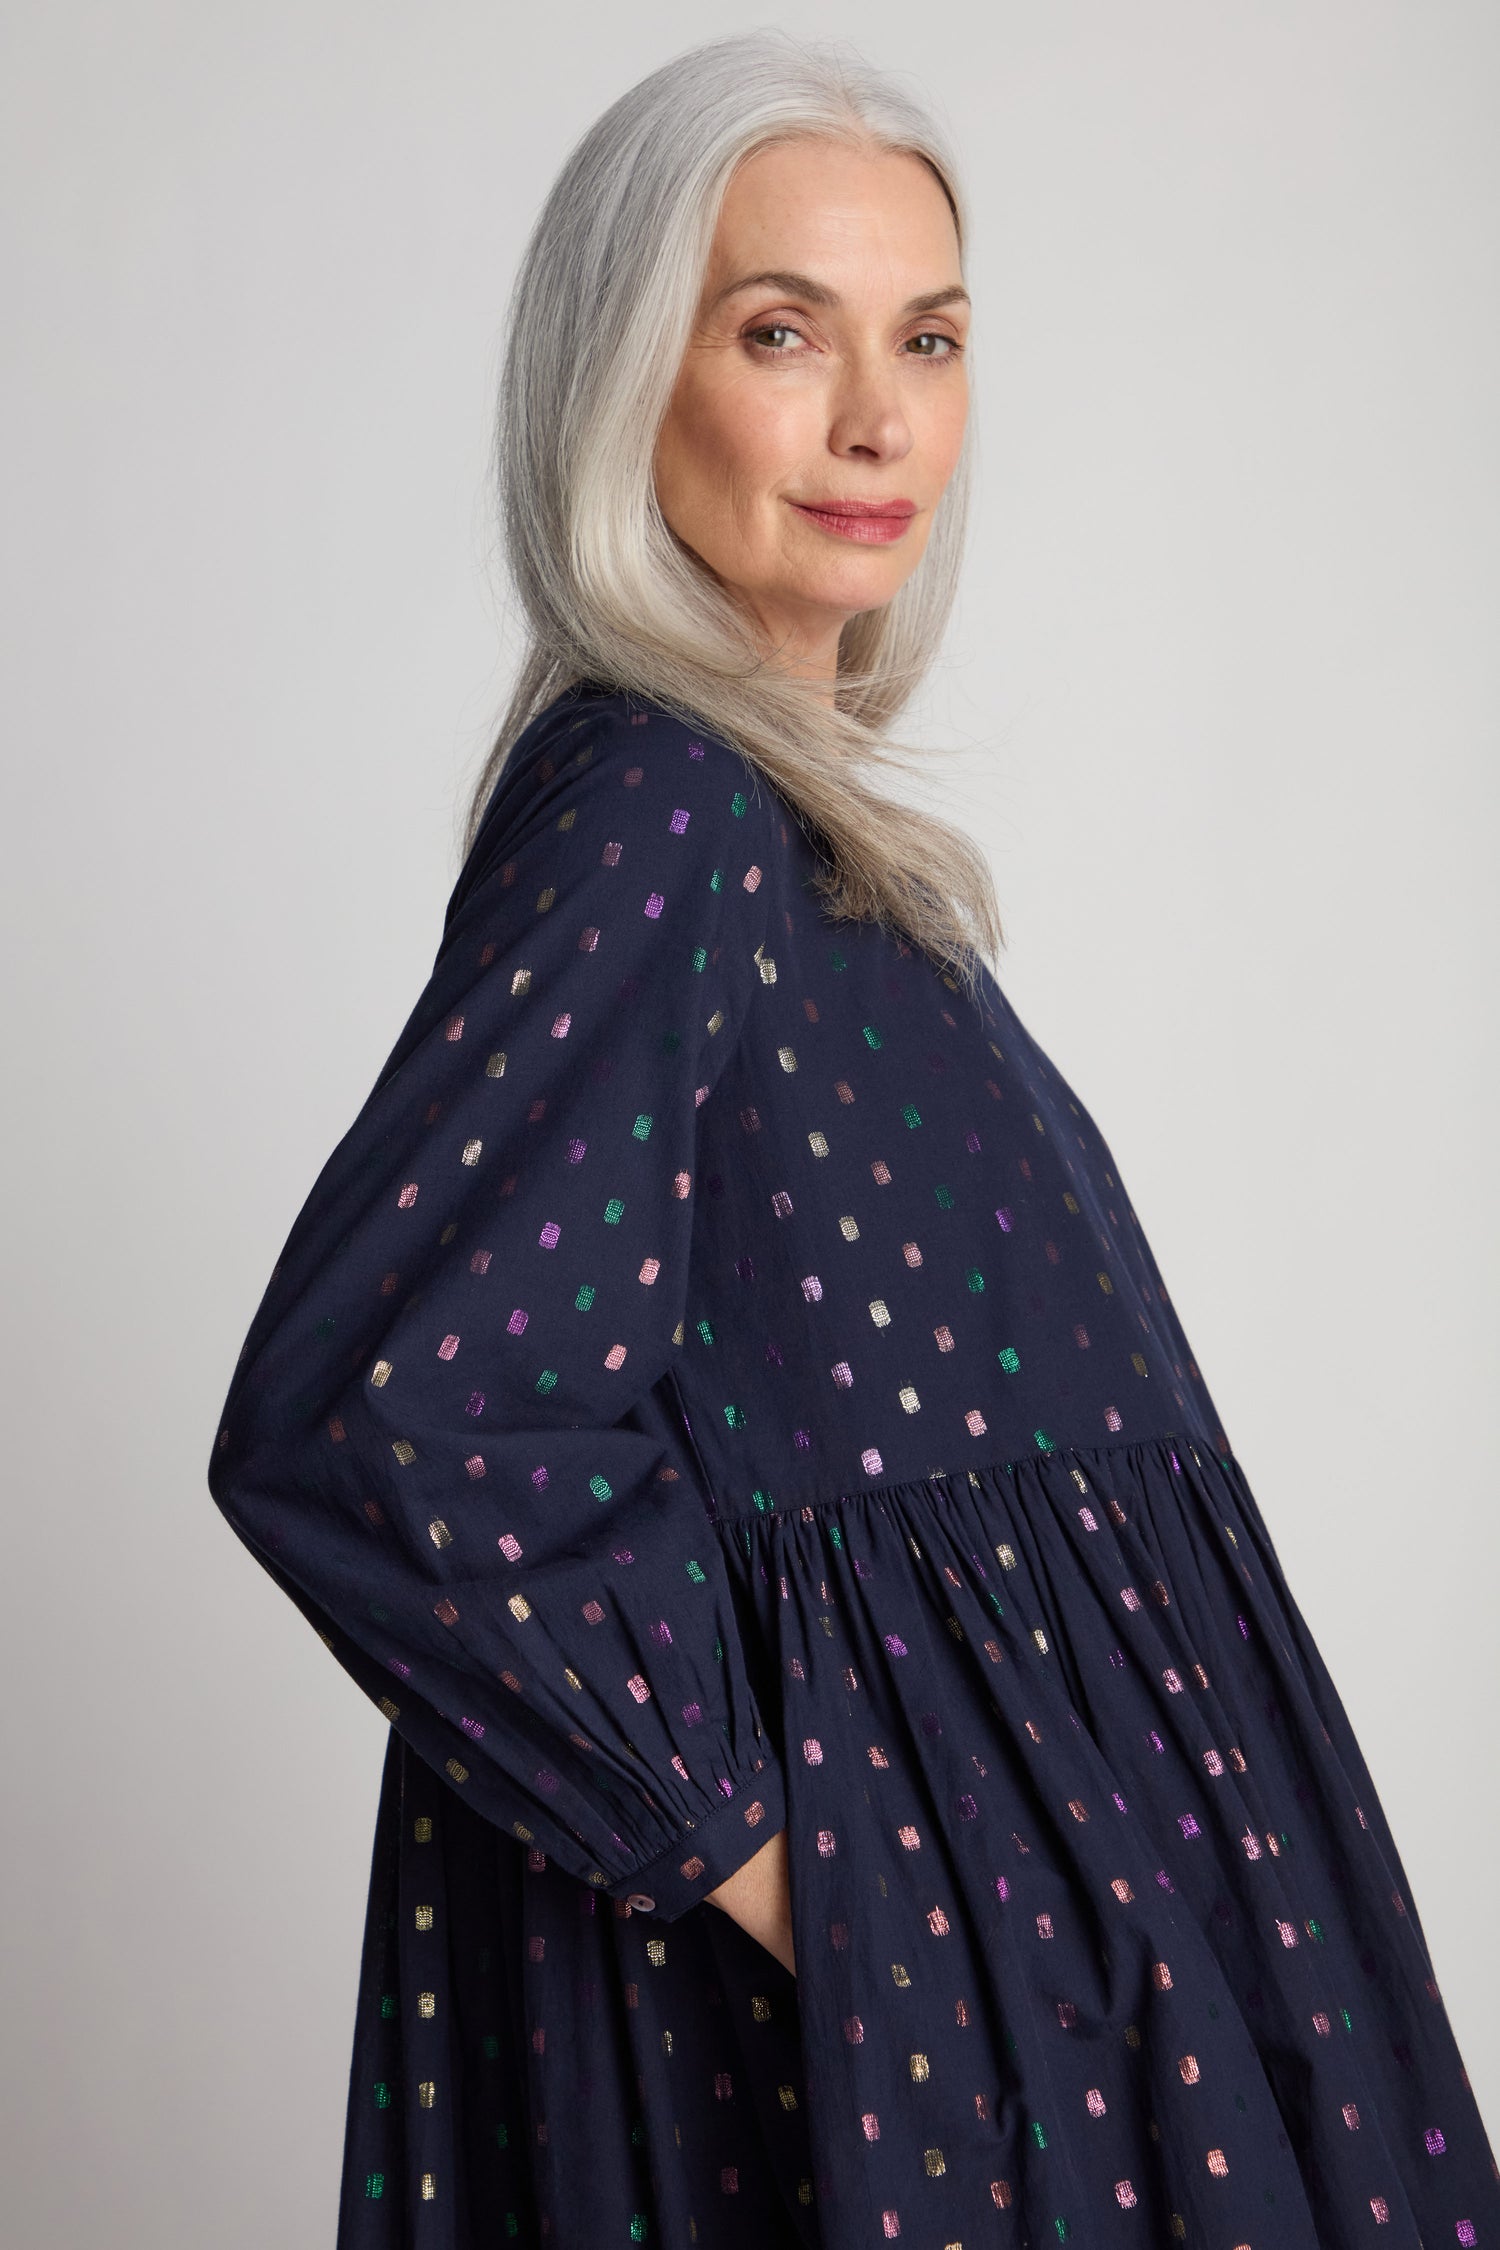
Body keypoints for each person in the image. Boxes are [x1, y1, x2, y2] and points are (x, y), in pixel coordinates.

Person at [206, 28, 1498, 2249]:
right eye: (781, 331)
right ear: (628, 376)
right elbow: (389, 1417)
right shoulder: (656, 805)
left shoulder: (794, 840)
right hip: (930, 2012)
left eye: (932, 338)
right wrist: (874, 1907)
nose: (879, 417)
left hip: (1068, 1978)